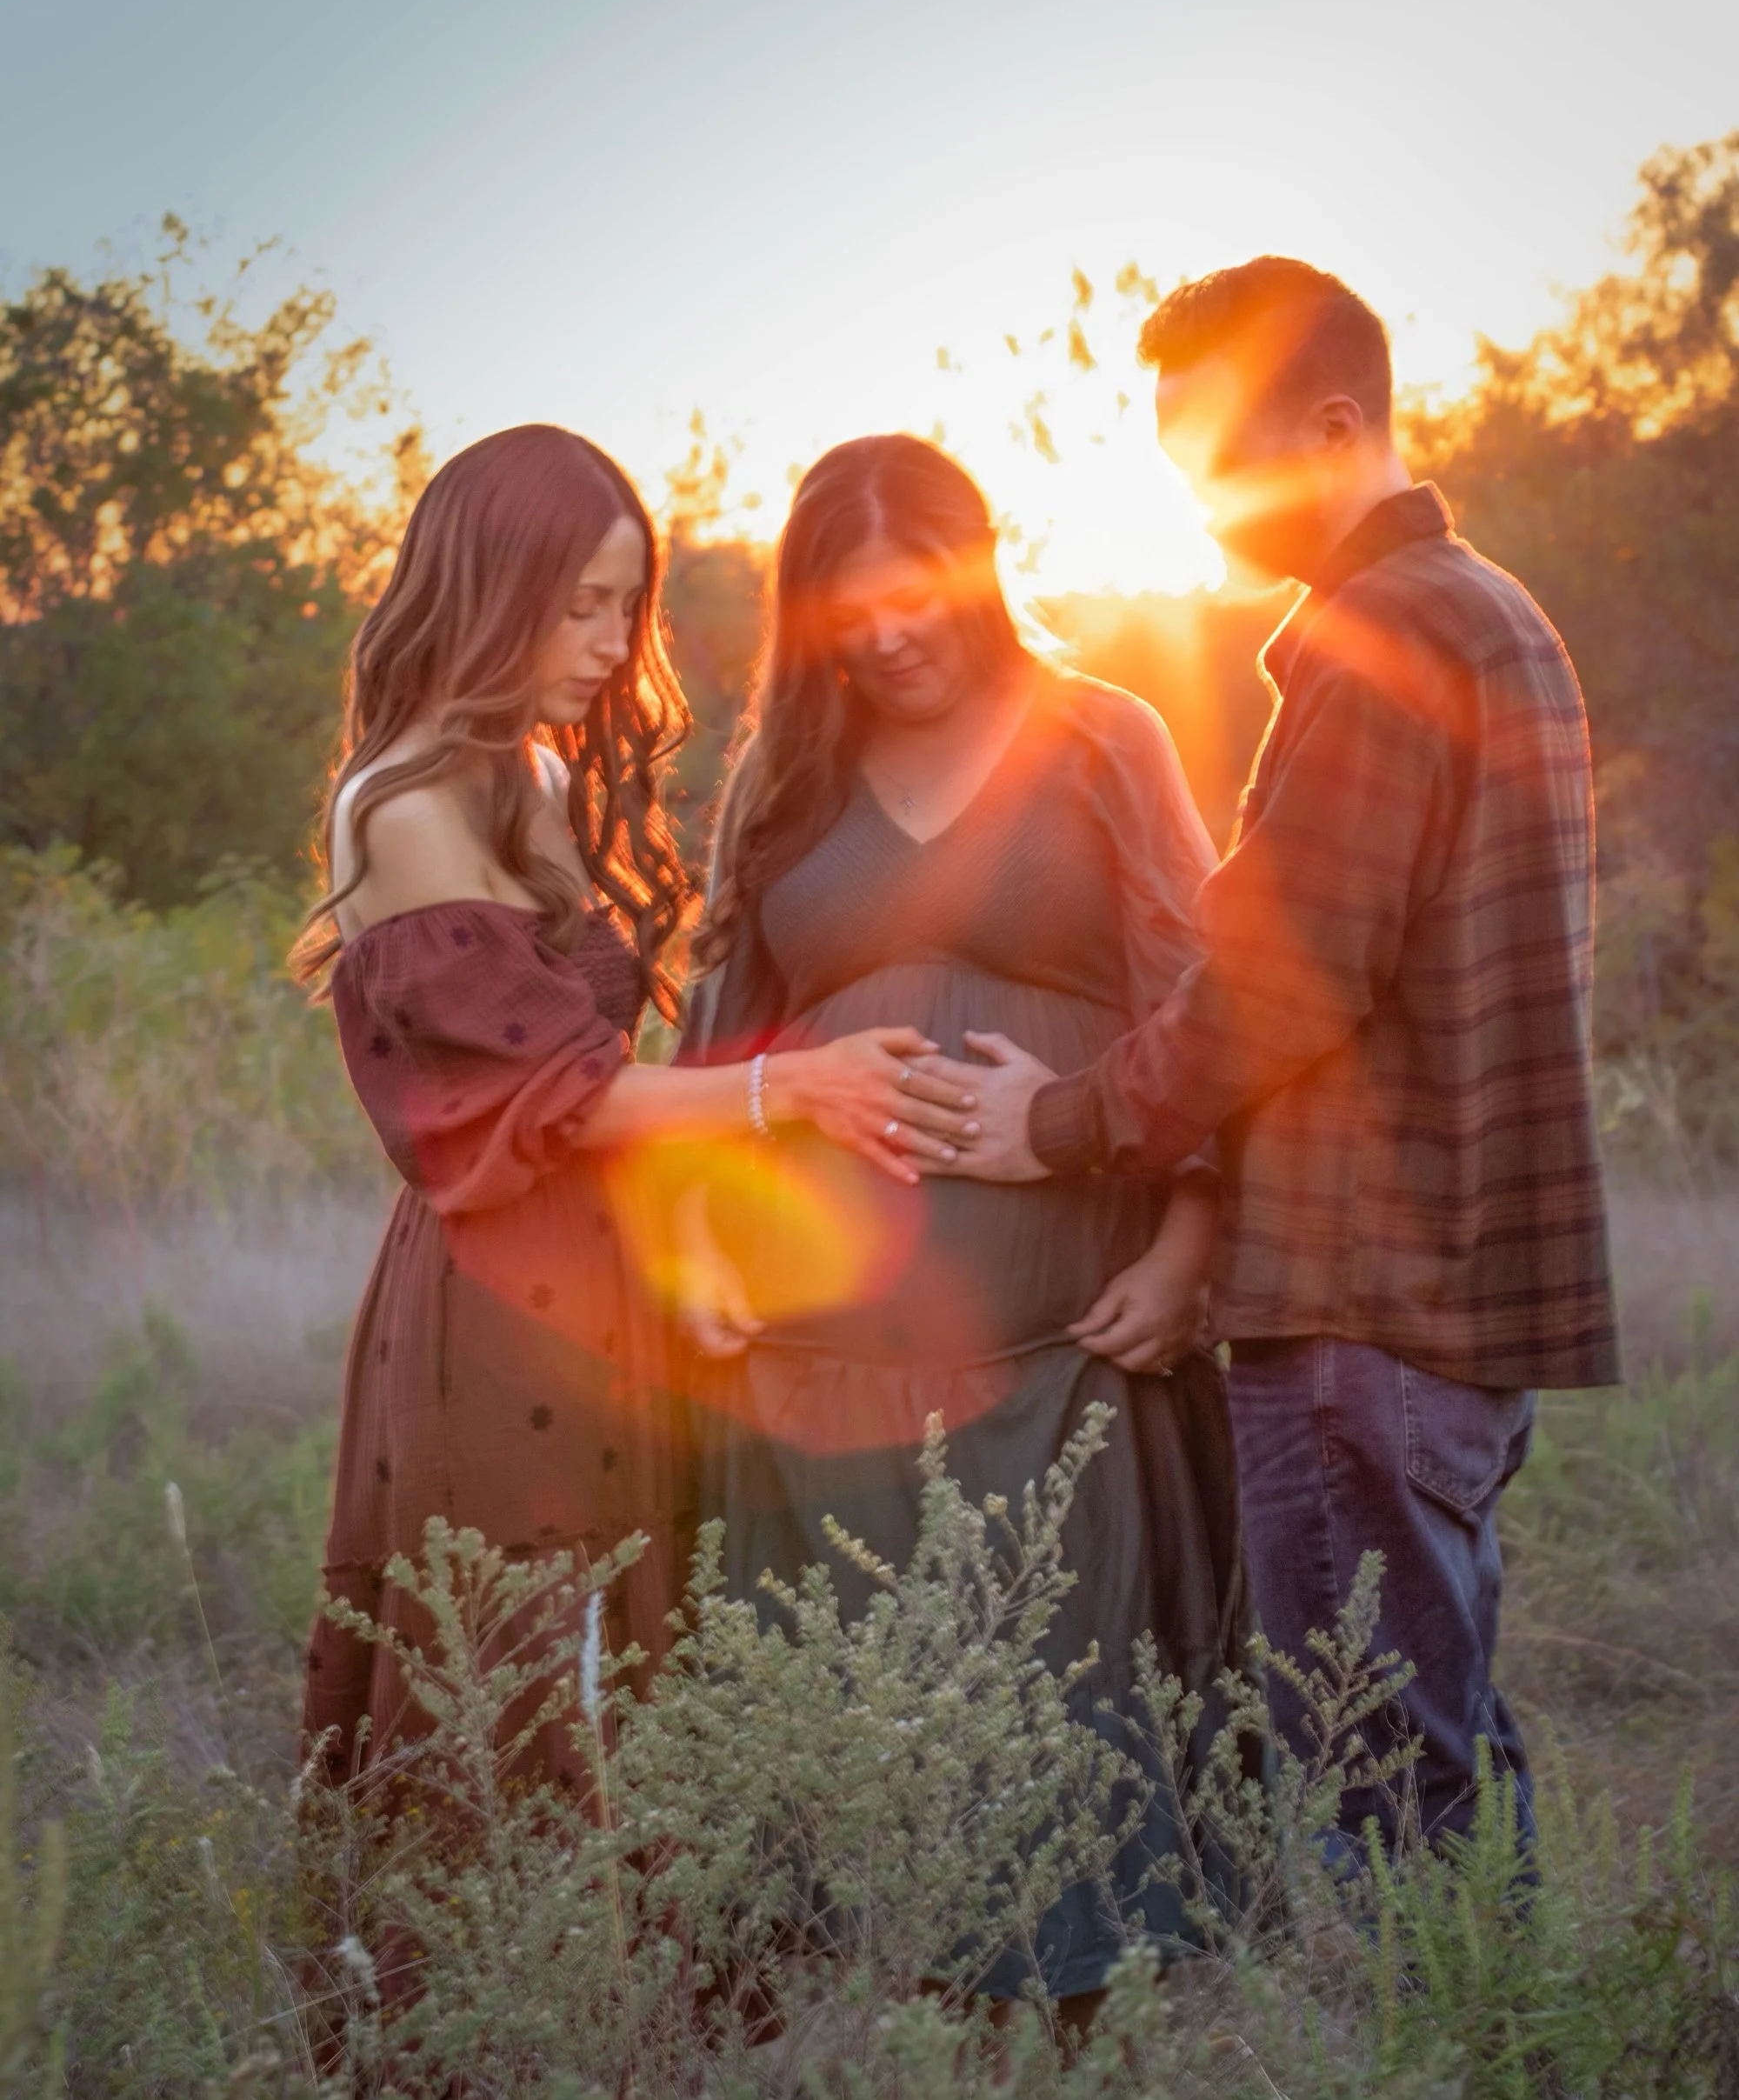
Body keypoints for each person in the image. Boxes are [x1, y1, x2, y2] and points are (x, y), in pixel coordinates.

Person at [928, 260, 1619, 1857]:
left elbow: (1279, 982)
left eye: (1220, 472)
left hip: (1363, 1308)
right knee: (1440, 1757)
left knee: (1378, 1789)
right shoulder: (1492, 614)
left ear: (1332, 424)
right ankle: (1487, 2037)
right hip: (1445, 1308)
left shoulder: (1383, 637)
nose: (1208, 520)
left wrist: (1065, 1124)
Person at [295, 423, 975, 1792]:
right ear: (492, 588)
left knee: (624, 1672)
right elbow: (561, 1095)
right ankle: (490, 2003)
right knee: (519, 1684)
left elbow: (610, 1066)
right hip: (497, 1297)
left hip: (605, 1278)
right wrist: (796, 1089)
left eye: (628, 605)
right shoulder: (408, 809)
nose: (613, 642)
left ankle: (632, 2006)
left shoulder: (529, 770)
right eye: (580, 604)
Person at [680, 434, 1250, 2004]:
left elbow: (1205, 1005)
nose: (886, 634)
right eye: (844, 610)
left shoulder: (1100, 738)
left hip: (1064, 1331)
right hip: (821, 1351)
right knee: (859, 1674)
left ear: (980, 564)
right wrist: (707, 1240)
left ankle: (1080, 1992)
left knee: (1063, 1670)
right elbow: (718, 1040)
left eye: (913, 590)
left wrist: (1188, 1245)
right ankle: (869, 1981)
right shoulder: (784, 788)